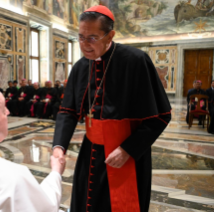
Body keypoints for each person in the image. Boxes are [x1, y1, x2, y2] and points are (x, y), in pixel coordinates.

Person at [52, 5, 171, 212]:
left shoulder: (136, 61)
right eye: (80, 37)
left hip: (126, 153)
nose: (84, 45)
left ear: (110, 36)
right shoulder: (81, 66)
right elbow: (68, 111)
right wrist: (59, 146)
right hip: (90, 152)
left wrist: (128, 149)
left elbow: (161, 116)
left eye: (92, 38)